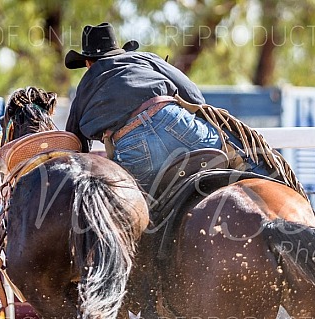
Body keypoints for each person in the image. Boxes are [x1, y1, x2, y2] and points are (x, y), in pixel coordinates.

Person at [64, 22, 276, 196]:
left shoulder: (85, 86)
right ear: (118, 49)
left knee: (130, 213)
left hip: (132, 147)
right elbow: (194, 96)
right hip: (175, 123)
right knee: (243, 152)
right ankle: (275, 188)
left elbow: (73, 143)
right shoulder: (144, 59)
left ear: (88, 62)